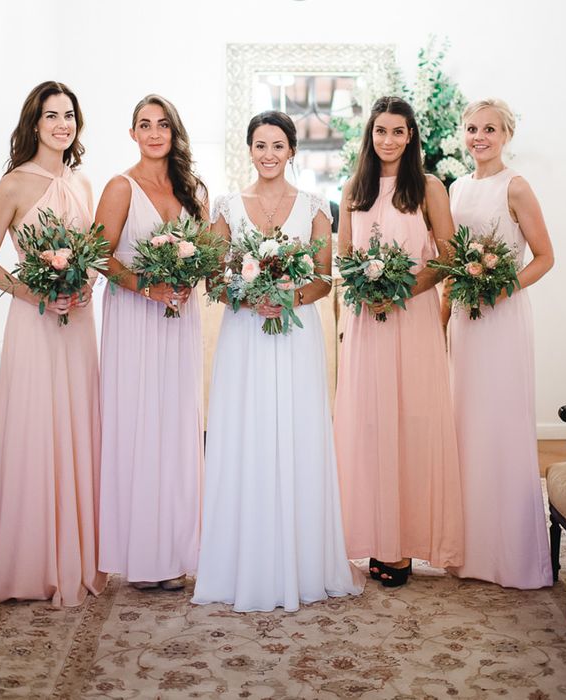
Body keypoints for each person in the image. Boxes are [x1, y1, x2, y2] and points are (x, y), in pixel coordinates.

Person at [191, 110, 364, 612]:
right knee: (246, 431)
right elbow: (216, 280)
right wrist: (250, 300)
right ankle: (239, 561)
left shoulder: (314, 206)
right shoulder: (226, 206)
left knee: (296, 431)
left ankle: (303, 560)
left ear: (292, 151)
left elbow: (324, 279)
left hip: (295, 334)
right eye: (260, 145)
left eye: (278, 145)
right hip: (245, 333)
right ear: (249, 150)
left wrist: (287, 296)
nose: (268, 154)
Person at [0, 81, 105, 606]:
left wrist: (84, 282)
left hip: (77, 325)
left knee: (75, 426)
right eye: (51, 116)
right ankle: (31, 566)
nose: (61, 124)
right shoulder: (13, 185)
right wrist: (35, 294)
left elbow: (90, 253)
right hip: (33, 324)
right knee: (36, 428)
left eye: (69, 115)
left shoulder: (83, 182)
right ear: (34, 123)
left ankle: (76, 557)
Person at [334, 96, 464, 587]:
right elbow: (344, 257)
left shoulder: (428, 188)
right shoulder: (354, 188)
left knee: (413, 420)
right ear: (370, 136)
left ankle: (407, 543)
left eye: (398, 132)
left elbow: (448, 258)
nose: (388, 140)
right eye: (380, 131)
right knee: (369, 423)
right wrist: (366, 290)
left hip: (412, 321)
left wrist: (401, 290)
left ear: (411, 138)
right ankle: (375, 534)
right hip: (368, 321)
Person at [96, 94, 207, 591]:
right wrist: (146, 285)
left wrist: (189, 279)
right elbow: (99, 257)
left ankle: (178, 551)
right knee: (138, 425)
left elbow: (207, 253)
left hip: (179, 320)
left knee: (177, 429)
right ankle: (142, 556)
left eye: (163, 124)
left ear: (174, 130)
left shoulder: (193, 190)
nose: (154, 132)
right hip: (135, 324)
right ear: (133, 133)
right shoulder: (121, 187)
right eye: (145, 124)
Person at [446, 98, 554, 589]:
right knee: (465, 420)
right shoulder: (456, 187)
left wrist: (500, 290)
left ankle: (509, 553)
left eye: (490, 128)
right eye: (472, 128)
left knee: (501, 420)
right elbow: (449, 261)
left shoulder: (517, 186)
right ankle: (467, 549)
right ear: (462, 134)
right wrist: (447, 311)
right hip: (464, 322)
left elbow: (544, 257)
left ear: (506, 134)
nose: (480, 136)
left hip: (502, 318)